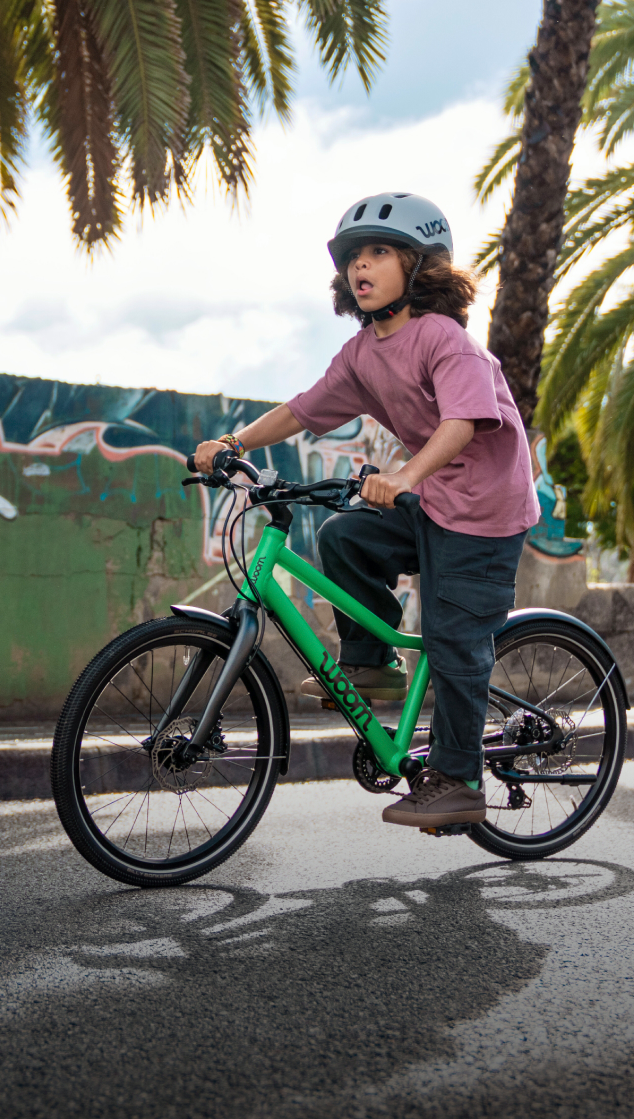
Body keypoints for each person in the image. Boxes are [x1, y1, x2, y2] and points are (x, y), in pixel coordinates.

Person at [194, 192, 540, 828]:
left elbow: (463, 421)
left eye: (379, 252)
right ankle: (371, 665)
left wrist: (404, 473)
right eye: (354, 256)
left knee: (453, 636)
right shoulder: (362, 352)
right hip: (429, 497)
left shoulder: (446, 340)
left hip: (486, 510)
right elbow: (304, 408)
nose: (362, 266)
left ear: (419, 265)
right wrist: (234, 444)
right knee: (346, 535)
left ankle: (460, 780)